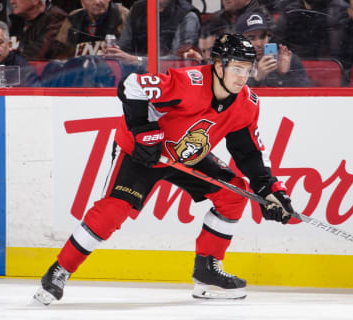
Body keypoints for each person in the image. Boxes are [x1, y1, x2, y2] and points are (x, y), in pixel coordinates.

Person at [33, 33, 295, 305]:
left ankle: (207, 271)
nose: (244, 76)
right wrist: (143, 130)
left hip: (185, 156)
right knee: (112, 211)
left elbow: (249, 152)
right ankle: (60, 269)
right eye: (237, 68)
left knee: (234, 194)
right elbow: (132, 85)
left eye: (248, 69)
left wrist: (269, 189)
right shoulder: (188, 82)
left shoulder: (247, 104)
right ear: (219, 66)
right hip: (142, 153)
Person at [104, 0, 200, 68]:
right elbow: (124, 47)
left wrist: (137, 60)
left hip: (171, 80)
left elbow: (178, 60)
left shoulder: (188, 15)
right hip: (137, 77)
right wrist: (115, 51)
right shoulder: (136, 9)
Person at [236, 11, 311, 87]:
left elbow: (307, 93)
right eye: (251, 38)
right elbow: (229, 95)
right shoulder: (233, 63)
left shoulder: (287, 59)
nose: (259, 44)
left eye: (263, 37)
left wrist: (283, 74)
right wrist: (256, 78)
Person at [51, 0, 129, 59]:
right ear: (82, 2)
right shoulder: (73, 18)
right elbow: (60, 56)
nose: (97, 2)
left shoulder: (124, 16)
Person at [273, 0, 348, 58]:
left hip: (327, 65)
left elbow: (339, 52)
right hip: (295, 64)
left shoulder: (338, 9)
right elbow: (276, 43)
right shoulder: (289, 11)